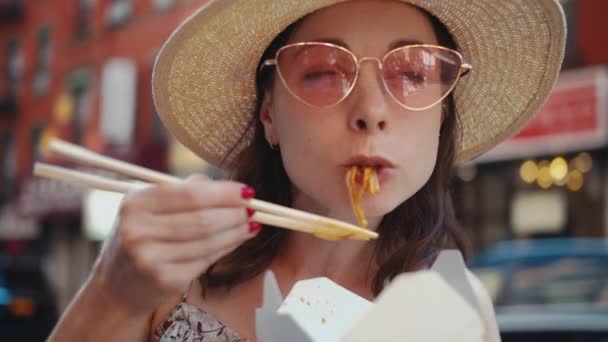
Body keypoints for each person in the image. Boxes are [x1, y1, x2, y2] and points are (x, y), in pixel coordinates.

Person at [48, 0, 566, 341]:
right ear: (268, 114)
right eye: (323, 71)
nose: (372, 110)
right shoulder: (173, 271)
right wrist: (113, 293)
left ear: (442, 115)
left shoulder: (453, 318)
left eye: (413, 72)